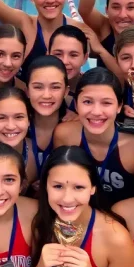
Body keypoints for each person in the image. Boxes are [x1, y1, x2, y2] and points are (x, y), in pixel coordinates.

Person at [54, 68, 134, 206]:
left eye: (106, 103)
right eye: (87, 102)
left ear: (119, 106)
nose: (96, 112)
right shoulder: (65, 135)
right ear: (76, 105)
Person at [25, 56, 76, 187]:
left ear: (66, 92)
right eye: (38, 87)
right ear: (27, 91)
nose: (46, 95)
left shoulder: (76, 128)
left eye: (55, 87)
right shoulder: (13, 127)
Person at [48, 24, 89, 113]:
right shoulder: (37, 89)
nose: (65, 61)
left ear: (85, 58)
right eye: (58, 54)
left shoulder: (93, 90)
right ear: (48, 55)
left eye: (73, 55)